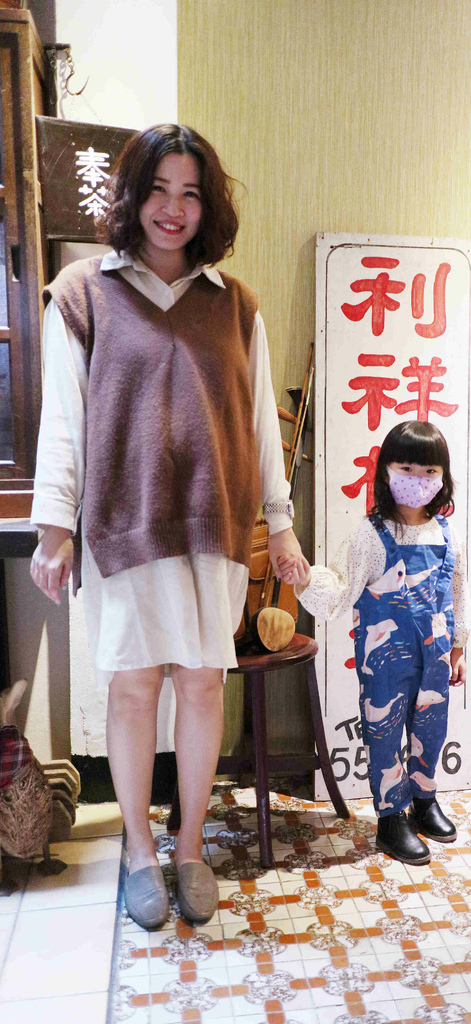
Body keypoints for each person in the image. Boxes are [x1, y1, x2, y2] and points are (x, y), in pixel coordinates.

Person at [29, 124, 306, 929]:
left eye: (190, 193)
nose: (173, 209)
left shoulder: (237, 306)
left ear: (208, 206)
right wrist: (54, 527)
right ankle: (138, 851)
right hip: (123, 525)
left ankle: (189, 848)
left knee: (201, 684)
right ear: (131, 196)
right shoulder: (82, 294)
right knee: (133, 686)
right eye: (158, 190)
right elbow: (64, 421)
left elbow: (258, 425)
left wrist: (281, 524)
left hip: (215, 528)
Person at [280, 421, 470, 865]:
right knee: (383, 734)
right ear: (386, 471)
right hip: (385, 660)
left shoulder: (446, 534)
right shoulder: (370, 535)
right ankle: (390, 817)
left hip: (436, 657)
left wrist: (459, 647)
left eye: (429, 471)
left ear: (442, 478)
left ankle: (424, 800)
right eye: (407, 468)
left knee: (431, 730)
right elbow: (340, 588)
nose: (418, 480)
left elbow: (460, 592)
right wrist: (305, 579)